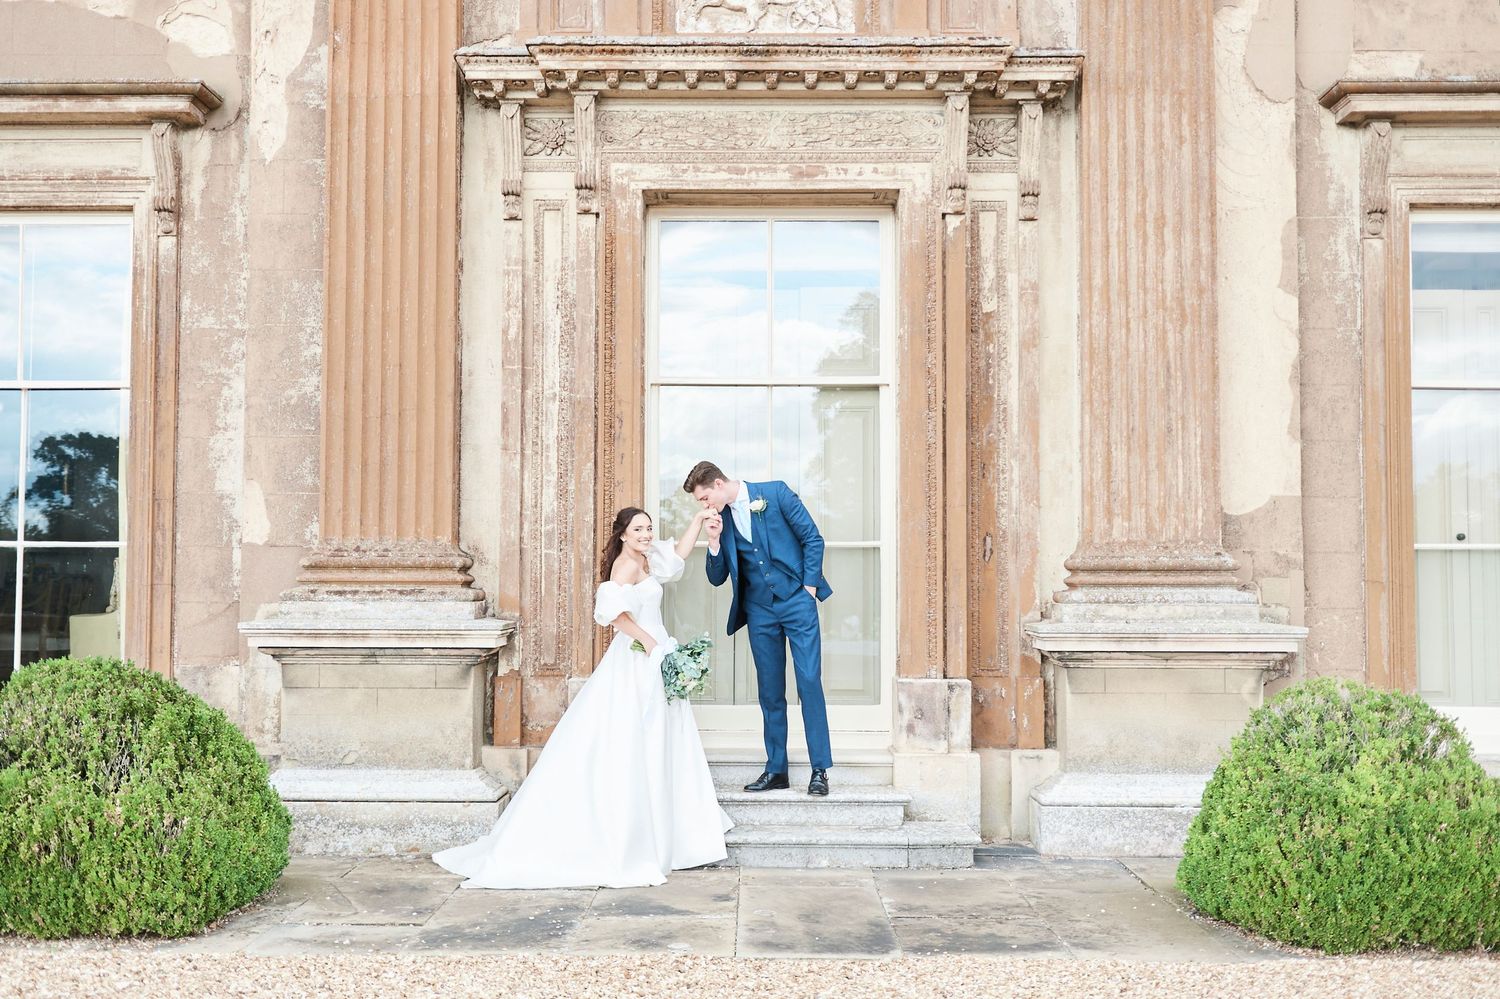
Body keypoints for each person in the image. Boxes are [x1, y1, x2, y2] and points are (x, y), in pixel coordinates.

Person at [433, 506, 732, 889]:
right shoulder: (623, 567)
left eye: (649, 528)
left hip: (655, 655)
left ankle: (669, 834)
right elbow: (615, 617)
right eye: (638, 529)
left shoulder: (646, 557)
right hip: (639, 658)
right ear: (622, 534)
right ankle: (629, 836)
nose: (646, 534)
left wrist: (696, 522)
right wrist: (652, 643)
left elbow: (676, 557)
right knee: (633, 738)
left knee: (663, 737)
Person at [683, 460, 834, 797]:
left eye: (705, 498)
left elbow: (813, 539)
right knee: (769, 691)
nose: (704, 506)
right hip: (759, 611)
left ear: (719, 485)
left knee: (809, 681)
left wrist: (808, 590)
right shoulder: (720, 521)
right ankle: (776, 769)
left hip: (797, 601)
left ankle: (819, 769)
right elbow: (717, 577)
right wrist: (714, 542)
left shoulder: (775, 493)